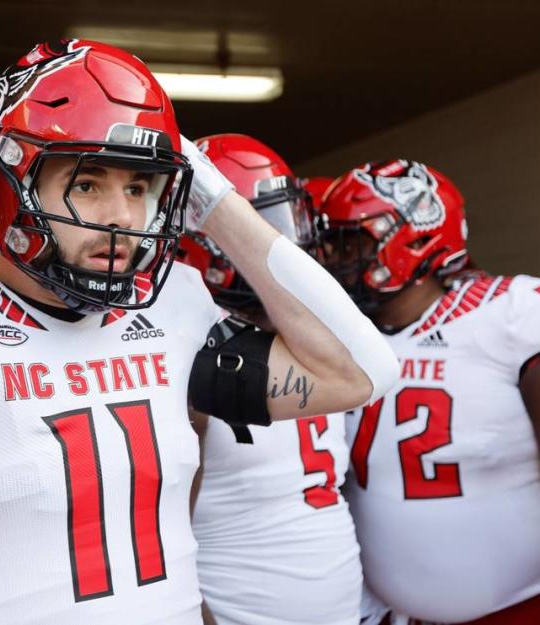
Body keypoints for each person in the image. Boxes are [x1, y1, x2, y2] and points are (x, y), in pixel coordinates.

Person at [0, 40, 398, 625]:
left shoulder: (173, 309)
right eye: (88, 184)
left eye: (139, 188)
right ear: (9, 183)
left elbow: (359, 371)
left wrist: (214, 197)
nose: (123, 218)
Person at [320, 159, 540, 624]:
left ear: (414, 237)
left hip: (525, 609)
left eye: (352, 242)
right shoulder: (339, 337)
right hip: (390, 613)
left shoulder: (509, 314)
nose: (335, 259)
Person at [178, 133, 362, 625]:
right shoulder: (188, 346)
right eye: (261, 228)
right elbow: (162, 540)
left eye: (289, 222)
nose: (287, 246)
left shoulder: (315, 335)